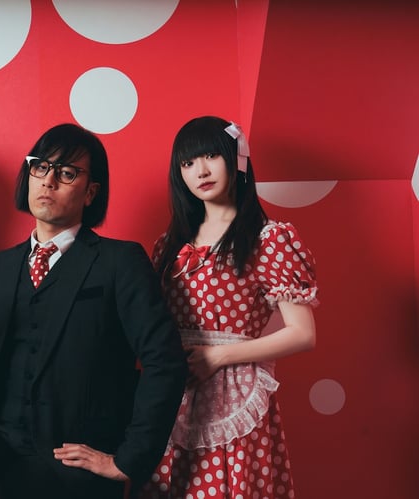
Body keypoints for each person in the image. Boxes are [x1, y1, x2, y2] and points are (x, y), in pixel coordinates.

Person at [0, 123, 188, 499]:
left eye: (67, 173)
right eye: (40, 167)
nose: (48, 180)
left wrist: (128, 460)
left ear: (91, 192)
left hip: (75, 456)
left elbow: (166, 362)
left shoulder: (120, 262)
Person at [140, 116, 318, 499]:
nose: (200, 171)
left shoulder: (269, 239)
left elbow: (303, 334)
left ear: (236, 159)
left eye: (210, 156)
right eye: (188, 163)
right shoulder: (169, 245)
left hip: (233, 389)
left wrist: (219, 357)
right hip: (174, 388)